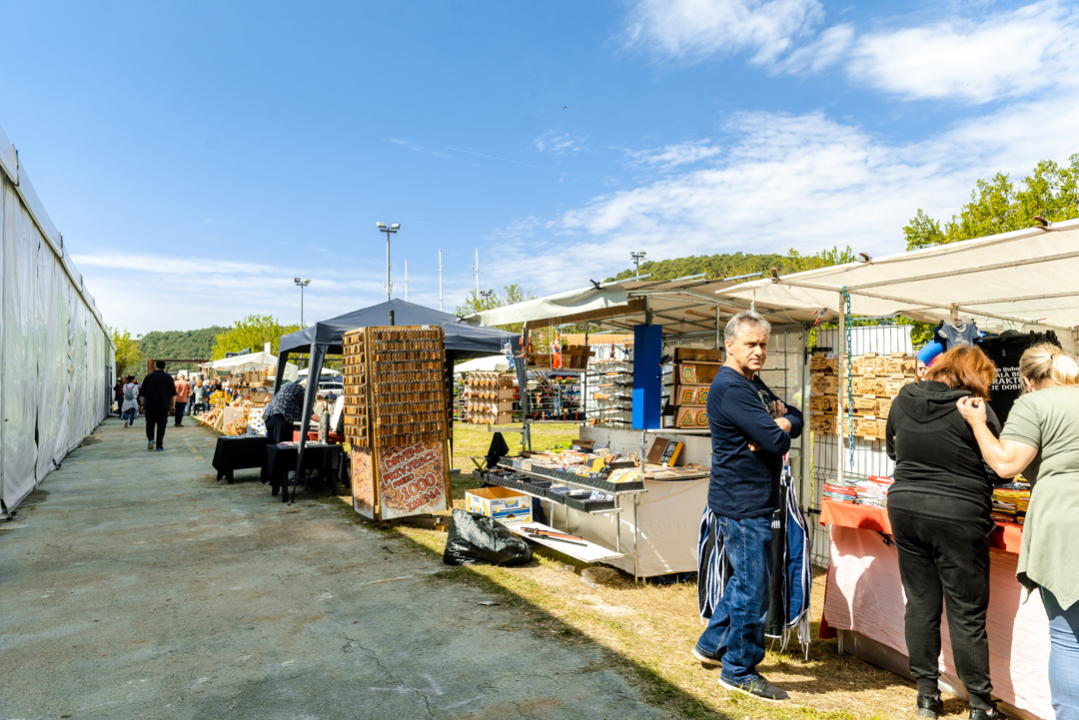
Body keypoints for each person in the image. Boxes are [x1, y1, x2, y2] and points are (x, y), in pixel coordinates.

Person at [957, 343, 1079, 720]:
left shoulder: (1034, 404)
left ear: (1027, 380)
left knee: (1069, 639)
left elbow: (1006, 463)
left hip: (1065, 523)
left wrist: (978, 423)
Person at [886, 345, 1005, 720]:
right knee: (965, 612)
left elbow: (894, 449)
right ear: (974, 378)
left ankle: (926, 696)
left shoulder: (904, 397)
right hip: (957, 515)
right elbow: (999, 466)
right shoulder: (975, 410)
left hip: (905, 507)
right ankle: (980, 705)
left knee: (920, 603)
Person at [693, 311, 803, 702]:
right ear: (730, 345)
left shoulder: (750, 382)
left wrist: (782, 423)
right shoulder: (733, 388)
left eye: (763, 345)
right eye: (751, 344)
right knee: (754, 588)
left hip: (745, 497)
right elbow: (774, 444)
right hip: (743, 501)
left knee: (745, 579)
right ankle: (739, 669)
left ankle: (710, 644)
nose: (759, 351)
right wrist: (775, 430)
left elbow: (795, 418)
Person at [139, 360, 176, 451]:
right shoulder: (168, 378)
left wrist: (142, 405)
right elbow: (174, 394)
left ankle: (151, 439)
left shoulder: (148, 377)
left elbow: (142, 394)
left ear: (155, 366)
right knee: (161, 426)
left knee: (150, 423)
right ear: (164, 367)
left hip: (150, 406)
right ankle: (159, 445)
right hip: (163, 406)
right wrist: (173, 406)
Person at [262, 379, 307, 444]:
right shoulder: (303, 391)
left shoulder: (290, 386)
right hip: (280, 418)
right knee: (280, 447)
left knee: (272, 446)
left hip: (269, 416)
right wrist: (322, 420)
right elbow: (310, 413)